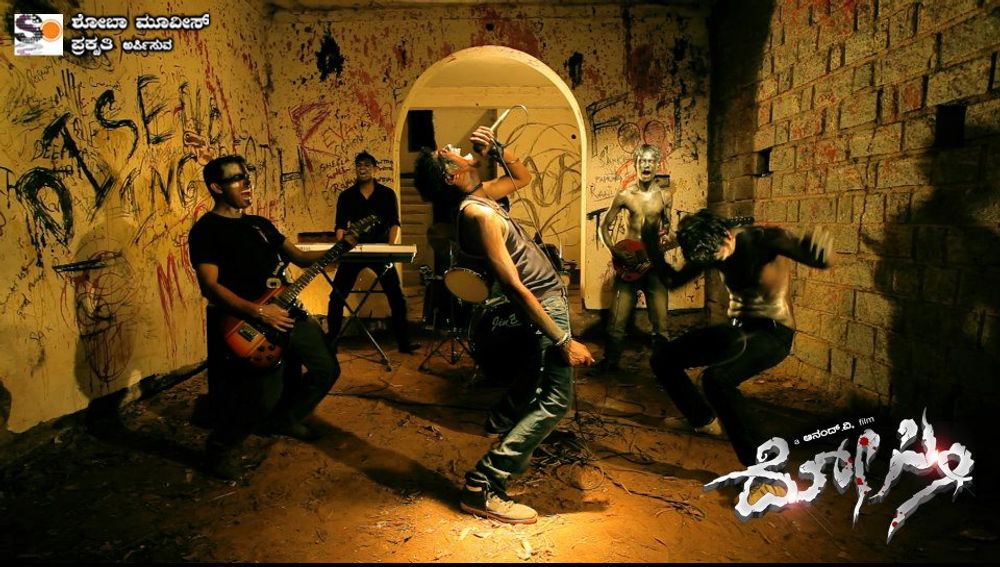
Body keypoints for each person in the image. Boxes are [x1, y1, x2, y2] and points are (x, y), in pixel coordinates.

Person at [414, 126, 594, 524]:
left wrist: (499, 149)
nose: (456, 147)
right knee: (556, 400)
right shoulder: (478, 213)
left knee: (533, 375)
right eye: (449, 152)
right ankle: (484, 483)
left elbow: (522, 178)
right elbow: (512, 285)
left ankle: (506, 425)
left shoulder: (482, 196)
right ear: (452, 175)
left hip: (548, 298)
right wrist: (562, 339)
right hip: (542, 305)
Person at [649, 209, 834, 501]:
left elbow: (810, 254)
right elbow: (673, 281)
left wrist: (820, 255)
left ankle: (769, 473)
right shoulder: (709, 246)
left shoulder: (762, 239)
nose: (719, 260)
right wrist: (650, 243)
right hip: (739, 332)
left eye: (720, 253)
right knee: (663, 358)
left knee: (716, 380)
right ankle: (703, 419)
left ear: (726, 234)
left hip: (772, 333)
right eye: (712, 259)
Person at [188, 155, 341, 480]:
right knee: (262, 398)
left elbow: (300, 258)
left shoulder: (260, 225)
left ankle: (287, 419)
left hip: (285, 311)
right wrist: (260, 311)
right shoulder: (206, 230)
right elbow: (210, 286)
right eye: (236, 178)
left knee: (327, 368)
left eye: (247, 176)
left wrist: (343, 249)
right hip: (247, 323)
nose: (247, 183)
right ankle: (221, 448)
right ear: (216, 187)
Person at [327, 151, 420, 354]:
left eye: (367, 165)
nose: (362, 168)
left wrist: (389, 248)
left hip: (380, 251)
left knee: (396, 296)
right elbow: (340, 226)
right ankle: (331, 342)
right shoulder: (346, 196)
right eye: (359, 165)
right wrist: (341, 248)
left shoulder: (387, 194)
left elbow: (394, 223)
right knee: (336, 296)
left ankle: (404, 343)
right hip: (353, 250)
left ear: (375, 169)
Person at [597, 144, 673, 371]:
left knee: (661, 323)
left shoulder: (665, 196)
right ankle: (610, 363)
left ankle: (665, 367)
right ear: (636, 165)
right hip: (629, 264)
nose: (646, 165)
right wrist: (615, 251)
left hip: (654, 265)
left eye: (650, 161)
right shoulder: (625, 195)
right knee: (617, 321)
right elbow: (604, 227)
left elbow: (667, 229)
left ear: (656, 165)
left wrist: (669, 239)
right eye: (642, 161)